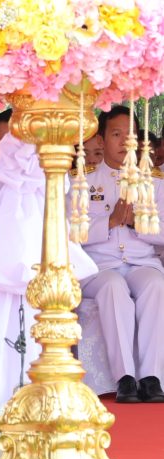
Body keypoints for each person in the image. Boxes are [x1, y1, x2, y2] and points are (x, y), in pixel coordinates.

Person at [81, 106, 164, 404]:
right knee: (114, 287)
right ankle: (125, 377)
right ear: (101, 139)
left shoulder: (154, 181)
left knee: (156, 286)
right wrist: (110, 221)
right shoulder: (82, 180)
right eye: (116, 134)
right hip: (99, 266)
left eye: (131, 136)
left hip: (142, 262)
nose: (125, 142)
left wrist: (136, 222)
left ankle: (152, 377)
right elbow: (68, 233)